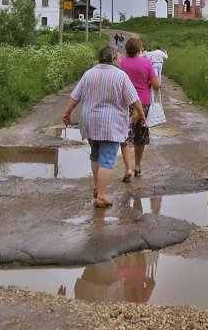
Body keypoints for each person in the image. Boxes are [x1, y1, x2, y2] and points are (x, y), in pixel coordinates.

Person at [62, 45, 144, 208]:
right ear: (113, 59)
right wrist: (141, 114)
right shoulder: (120, 75)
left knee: (96, 155)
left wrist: (67, 113)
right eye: (119, 58)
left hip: (89, 122)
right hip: (110, 124)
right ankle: (101, 196)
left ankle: (97, 186)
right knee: (107, 159)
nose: (121, 61)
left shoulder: (89, 74)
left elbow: (75, 96)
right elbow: (133, 99)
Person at [118, 36, 161, 182]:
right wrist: (150, 82)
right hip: (142, 103)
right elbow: (156, 85)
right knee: (140, 134)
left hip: (124, 103)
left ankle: (127, 168)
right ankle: (137, 165)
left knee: (125, 134)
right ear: (139, 49)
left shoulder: (121, 63)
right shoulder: (146, 63)